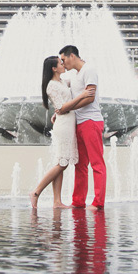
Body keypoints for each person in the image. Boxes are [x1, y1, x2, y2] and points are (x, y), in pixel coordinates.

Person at [55, 45, 105, 209]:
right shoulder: (76, 76)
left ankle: (98, 202)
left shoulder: (88, 69)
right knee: (80, 164)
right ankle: (78, 201)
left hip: (91, 121)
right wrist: (60, 111)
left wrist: (67, 107)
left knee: (96, 164)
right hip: (80, 123)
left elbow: (90, 97)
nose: (63, 64)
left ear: (72, 56)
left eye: (64, 60)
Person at [30, 56, 77, 208]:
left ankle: (57, 201)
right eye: (60, 63)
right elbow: (62, 106)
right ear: (54, 68)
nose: (63, 64)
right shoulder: (51, 86)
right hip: (64, 125)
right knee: (62, 164)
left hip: (67, 122)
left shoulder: (61, 82)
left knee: (60, 162)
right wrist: (82, 97)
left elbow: (76, 83)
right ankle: (36, 192)